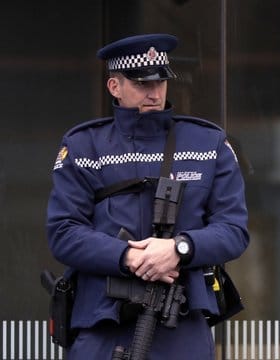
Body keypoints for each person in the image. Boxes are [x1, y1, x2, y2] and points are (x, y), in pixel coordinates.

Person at [46, 33, 250, 359]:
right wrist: (128, 257)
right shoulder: (85, 146)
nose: (155, 93)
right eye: (142, 84)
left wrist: (179, 249)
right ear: (115, 86)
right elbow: (62, 232)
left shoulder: (208, 144)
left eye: (161, 82)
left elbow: (234, 230)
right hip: (102, 319)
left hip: (180, 320)